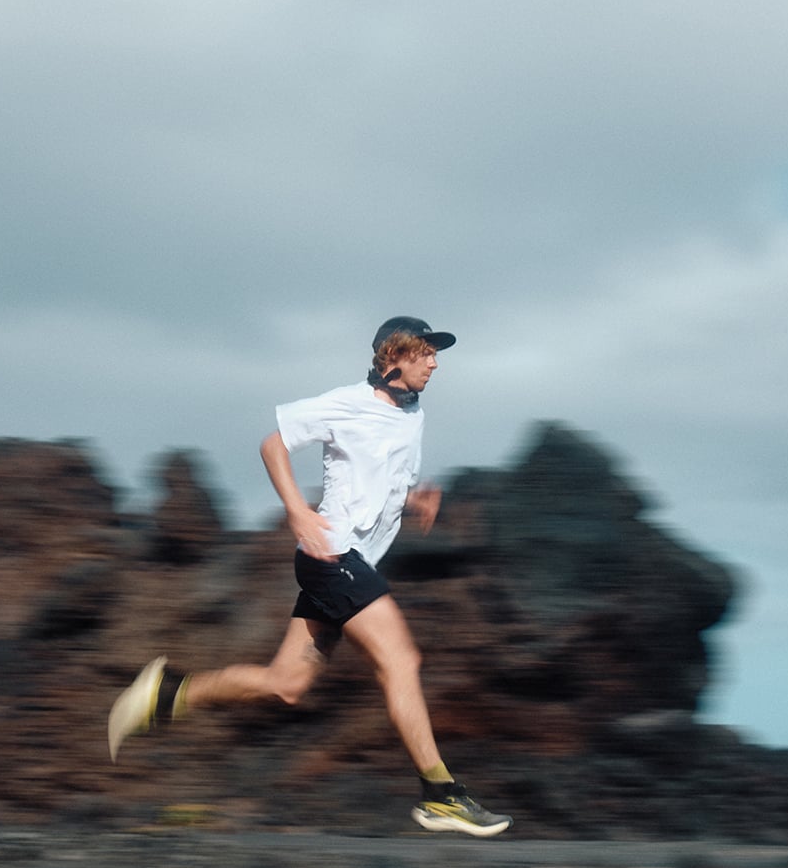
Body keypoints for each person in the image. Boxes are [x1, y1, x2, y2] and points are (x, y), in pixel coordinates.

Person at [107, 316, 511, 837]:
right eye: (426, 353)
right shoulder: (346, 403)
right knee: (402, 660)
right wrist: (297, 510)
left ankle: (168, 693)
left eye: (436, 354)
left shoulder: (412, 415)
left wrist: (414, 499)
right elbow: (272, 445)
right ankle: (441, 795)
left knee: (287, 685)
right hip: (331, 556)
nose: (435, 363)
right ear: (394, 355)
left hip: (345, 564)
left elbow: (378, 479)